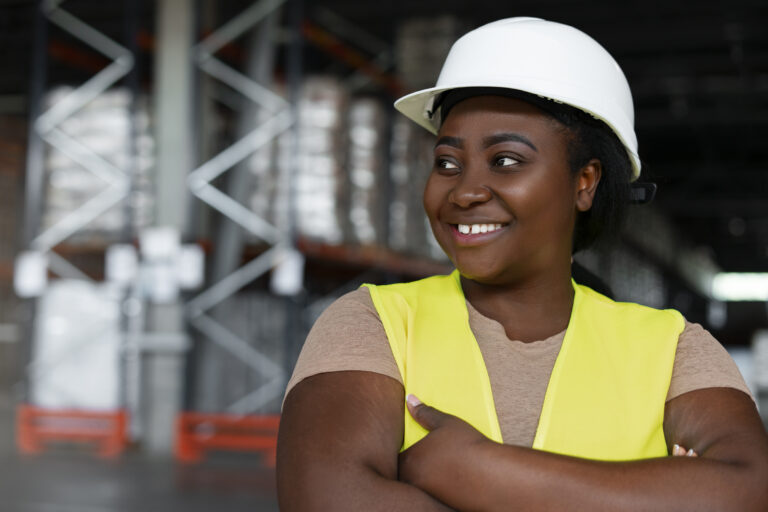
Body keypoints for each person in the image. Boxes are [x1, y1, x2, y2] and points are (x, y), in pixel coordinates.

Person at [276, 17, 768, 511]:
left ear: (585, 182)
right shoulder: (372, 324)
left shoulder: (675, 349)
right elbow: (326, 498)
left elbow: (747, 492)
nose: (465, 191)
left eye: (506, 160)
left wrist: (473, 468)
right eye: (447, 162)